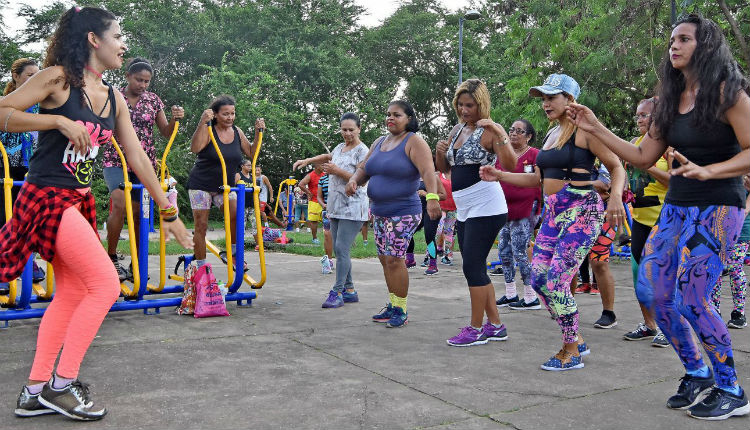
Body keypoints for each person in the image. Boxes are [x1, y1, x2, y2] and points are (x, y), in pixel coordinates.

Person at [0, 6, 192, 420]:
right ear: (93, 39)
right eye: (118, 35)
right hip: (47, 196)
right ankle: (62, 385)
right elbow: (2, 113)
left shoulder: (114, 98)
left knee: (72, 292)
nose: (124, 44)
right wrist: (55, 123)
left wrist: (169, 210)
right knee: (106, 285)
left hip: (78, 200)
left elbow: (138, 156)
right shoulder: (56, 79)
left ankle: (35, 390)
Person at [567, 14, 750, 419]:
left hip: (719, 204)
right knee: (654, 292)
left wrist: (710, 170)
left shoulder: (727, 93)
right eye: (672, 40)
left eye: (684, 39)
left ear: (706, 46)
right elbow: (642, 156)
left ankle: (732, 388)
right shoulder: (669, 101)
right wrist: (595, 126)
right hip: (678, 206)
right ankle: (697, 371)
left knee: (695, 296)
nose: (674, 46)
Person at [480, 73, 626, 370]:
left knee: (558, 279)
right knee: (538, 278)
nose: (545, 103)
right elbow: (538, 178)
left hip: (582, 212)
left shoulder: (584, 131)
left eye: (551, 97)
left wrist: (615, 197)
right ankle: (577, 339)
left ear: (570, 99)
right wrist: (500, 175)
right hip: (553, 213)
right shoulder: (551, 135)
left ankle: (571, 350)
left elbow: (616, 165)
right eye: (543, 98)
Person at [435, 79, 517, 347]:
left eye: (469, 105)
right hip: (464, 207)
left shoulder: (491, 130)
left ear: (481, 104)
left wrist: (499, 133)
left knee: (471, 266)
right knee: (476, 266)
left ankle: (475, 328)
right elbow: (445, 170)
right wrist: (440, 152)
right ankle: (496, 326)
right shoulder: (457, 129)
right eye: (460, 104)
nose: (464, 110)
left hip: (487, 204)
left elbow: (511, 164)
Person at [346, 101, 440, 327]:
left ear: (409, 118)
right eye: (388, 114)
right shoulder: (380, 142)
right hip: (379, 212)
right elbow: (365, 168)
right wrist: (353, 181)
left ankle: (401, 309)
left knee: (395, 259)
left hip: (403, 212)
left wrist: (433, 198)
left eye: (396, 115)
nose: (390, 118)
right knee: (384, 260)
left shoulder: (414, 142)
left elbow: (428, 171)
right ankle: (392, 303)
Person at [101, 57, 184, 281]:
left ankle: (137, 262)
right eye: (139, 80)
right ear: (127, 76)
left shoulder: (153, 101)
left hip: (144, 162)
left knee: (139, 213)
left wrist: (176, 121)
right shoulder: (113, 96)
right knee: (119, 203)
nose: (143, 85)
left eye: (147, 81)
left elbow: (165, 131)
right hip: (115, 158)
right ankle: (111, 257)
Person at [294, 112, 370, 307]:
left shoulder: (363, 151)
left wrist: (337, 171)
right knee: (339, 249)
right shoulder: (339, 148)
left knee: (341, 249)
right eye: (344, 129)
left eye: (351, 130)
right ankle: (350, 290)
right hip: (334, 206)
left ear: (359, 129)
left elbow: (361, 179)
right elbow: (329, 156)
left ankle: (337, 292)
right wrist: (309, 160)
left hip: (353, 207)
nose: (347, 133)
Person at [188, 95, 264, 269]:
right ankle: (201, 266)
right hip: (201, 185)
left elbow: (252, 153)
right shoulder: (208, 130)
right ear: (215, 115)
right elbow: (195, 148)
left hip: (224, 186)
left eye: (232, 113)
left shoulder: (237, 132)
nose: (230, 117)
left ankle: (233, 254)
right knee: (201, 225)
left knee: (236, 213)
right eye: (225, 114)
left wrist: (258, 133)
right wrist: (202, 122)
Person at [621, 98, 671, 347]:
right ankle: (648, 324)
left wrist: (647, 164)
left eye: (644, 115)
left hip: (662, 218)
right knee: (637, 273)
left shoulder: (669, 146)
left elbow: (674, 182)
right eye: (637, 115)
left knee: (660, 276)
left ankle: (667, 327)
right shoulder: (634, 144)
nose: (639, 119)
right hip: (639, 218)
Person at [0, 58, 46, 284]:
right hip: (7, 166)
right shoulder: (4, 102)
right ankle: (4, 264)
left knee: (31, 218)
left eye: (38, 76)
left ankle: (29, 261)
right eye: (30, 75)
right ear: (16, 76)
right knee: (5, 216)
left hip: (33, 167)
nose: (34, 80)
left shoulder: (42, 104)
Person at [492, 119, 543, 311]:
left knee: (520, 250)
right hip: (504, 208)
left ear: (528, 136)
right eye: (511, 130)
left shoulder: (534, 155)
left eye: (519, 131)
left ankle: (530, 296)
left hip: (526, 208)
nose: (513, 133)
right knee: (504, 250)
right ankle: (511, 292)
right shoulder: (503, 154)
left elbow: (537, 181)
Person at [710, 181, 750, 329]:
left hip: (741, 227)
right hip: (716, 225)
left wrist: (743, 211)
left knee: (734, 267)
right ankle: (714, 311)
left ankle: (739, 313)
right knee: (716, 268)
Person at [406, 172, 446, 275]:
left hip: (431, 211)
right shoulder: (412, 177)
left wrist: (426, 194)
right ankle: (410, 260)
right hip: (416, 211)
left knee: (429, 236)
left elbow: (443, 195)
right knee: (407, 233)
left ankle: (433, 265)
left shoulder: (434, 177)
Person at [298, 164, 324, 244]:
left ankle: (329, 238)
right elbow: (301, 184)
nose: (323, 166)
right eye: (322, 165)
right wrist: (308, 193)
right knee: (314, 221)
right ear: (316, 166)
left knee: (328, 221)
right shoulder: (310, 175)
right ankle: (314, 238)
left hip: (325, 201)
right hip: (314, 201)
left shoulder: (325, 174)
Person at [435, 171, 457, 265]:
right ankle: (430, 255)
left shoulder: (456, 174)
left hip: (453, 209)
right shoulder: (438, 175)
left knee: (449, 233)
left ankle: (448, 255)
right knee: (438, 231)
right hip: (441, 208)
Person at [316, 171, 334, 273]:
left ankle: (342, 260)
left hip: (339, 210)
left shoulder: (339, 177)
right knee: (327, 234)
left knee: (338, 237)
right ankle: (329, 260)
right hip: (327, 210)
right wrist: (323, 204)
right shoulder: (322, 179)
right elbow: (319, 196)